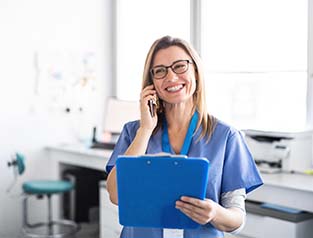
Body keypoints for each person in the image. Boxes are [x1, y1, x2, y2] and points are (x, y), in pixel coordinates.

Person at [106, 35, 263, 238]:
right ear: (152, 83)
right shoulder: (134, 132)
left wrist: (214, 212)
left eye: (180, 66)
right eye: (160, 71)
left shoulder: (226, 136)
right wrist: (145, 129)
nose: (171, 78)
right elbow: (116, 195)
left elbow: (237, 220)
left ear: (196, 72)